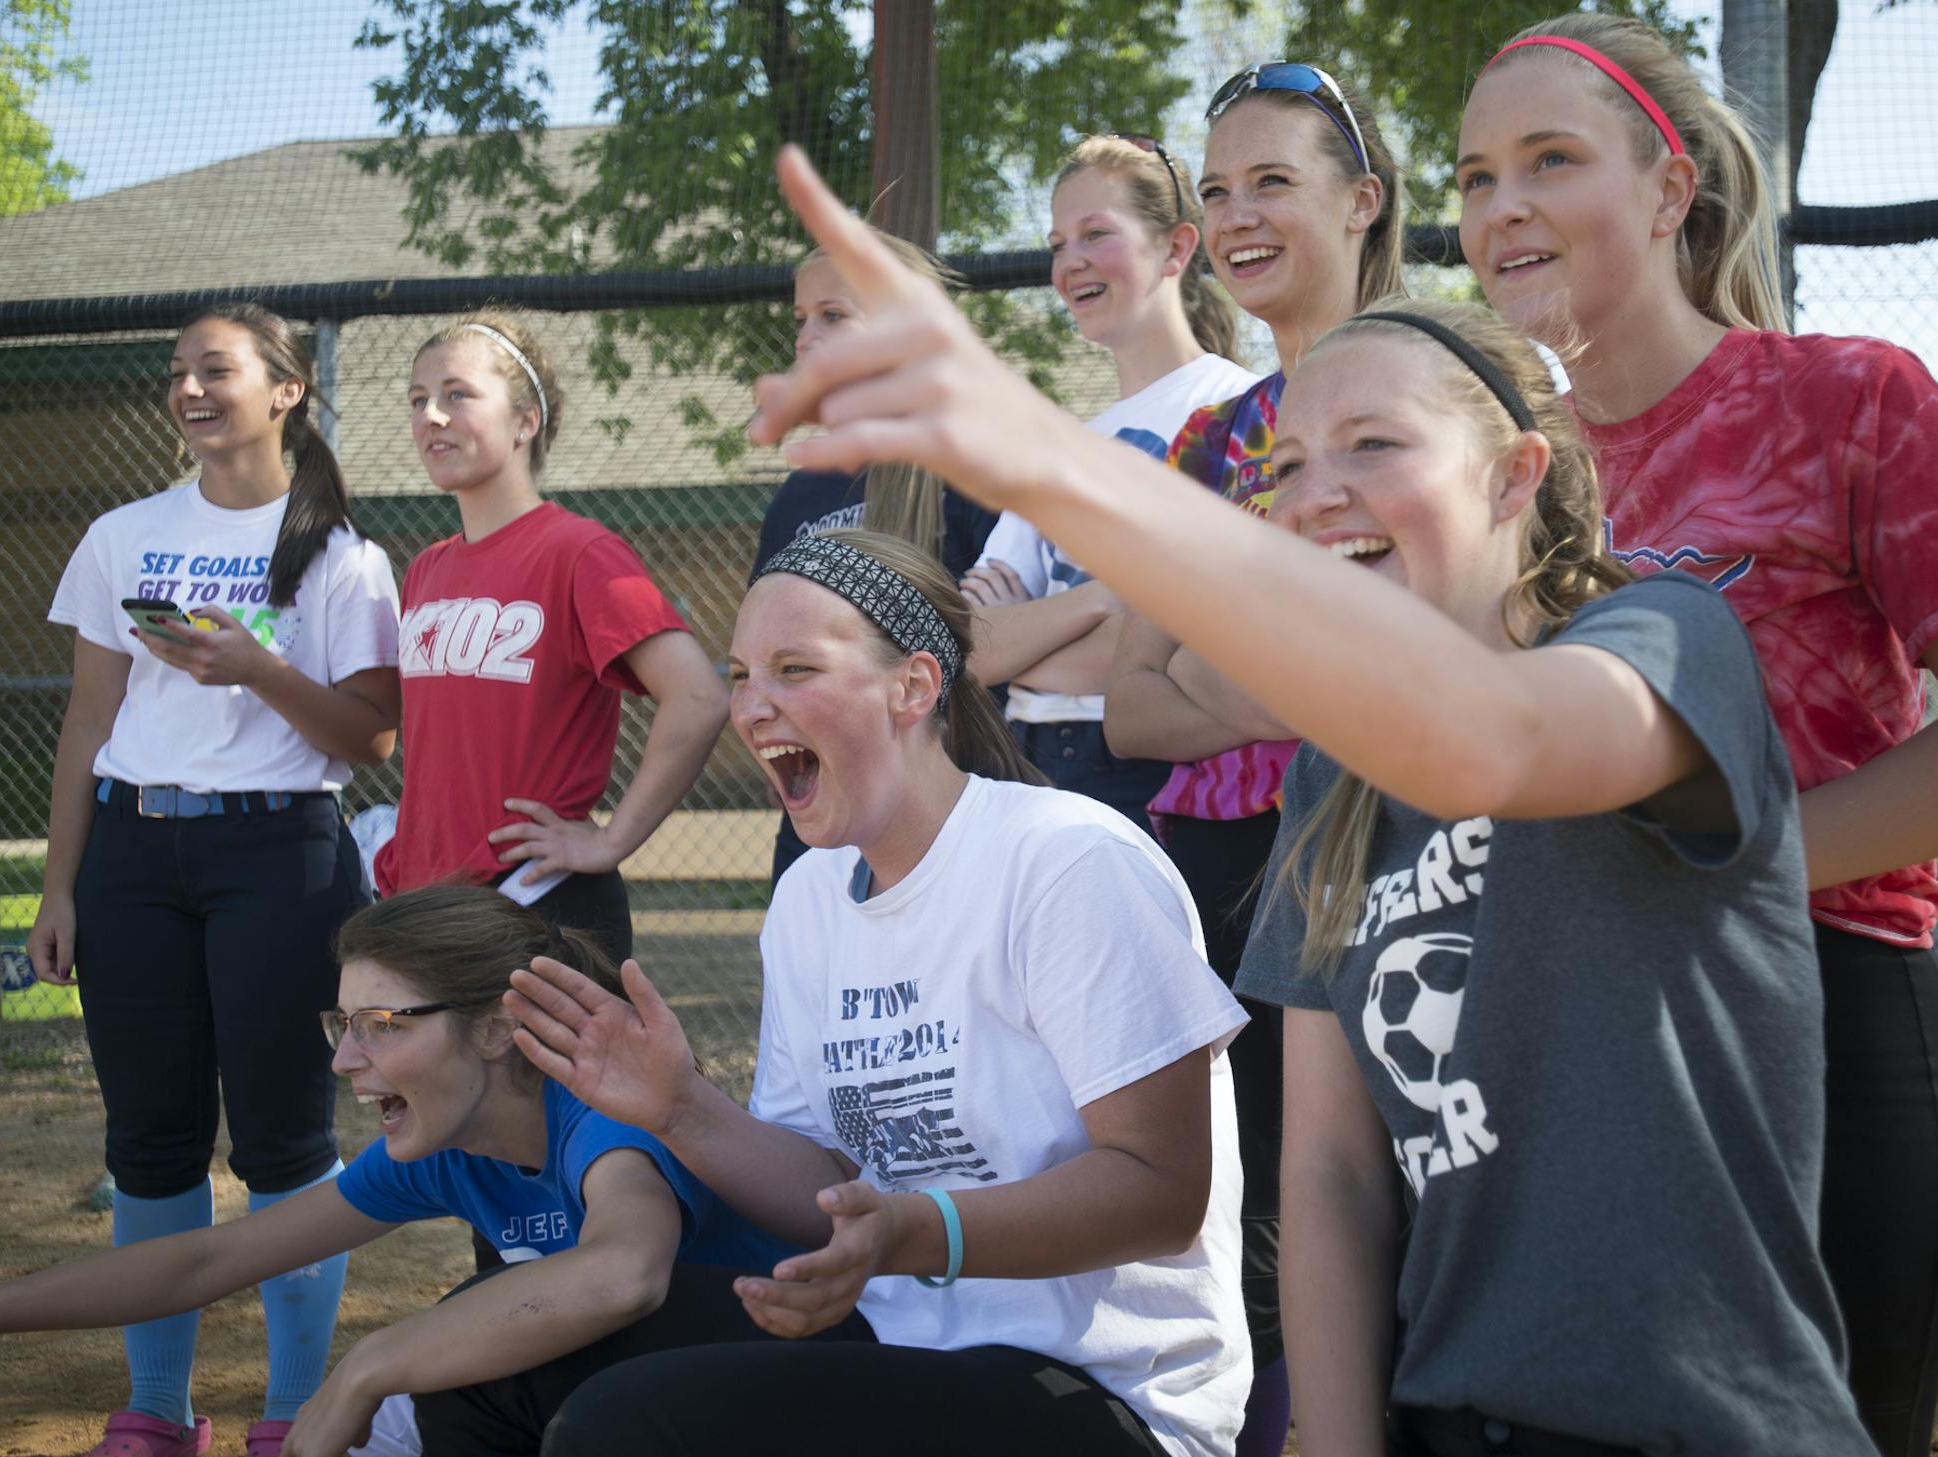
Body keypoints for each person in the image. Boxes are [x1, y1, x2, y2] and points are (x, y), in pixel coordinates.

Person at [742, 159, 1877, 1456]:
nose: (1316, 489)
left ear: (1515, 476)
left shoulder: (1671, 643)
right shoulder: (1334, 772)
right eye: (1285, 465)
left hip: (1697, 1420)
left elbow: (1488, 743)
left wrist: (1048, 460)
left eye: (1375, 445)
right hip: (1453, 1410)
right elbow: (1332, 1175)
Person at [1457, 18, 1938, 1453]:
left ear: (1672, 189)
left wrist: (1735, 877)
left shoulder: (1845, 398)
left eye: (1551, 159)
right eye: (1479, 173)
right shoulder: (1488, 479)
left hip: (1827, 1032)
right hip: (1573, 1063)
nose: (1503, 206)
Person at [504, 529, 1253, 1457]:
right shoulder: (809, 899)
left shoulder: (1065, 861)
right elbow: (830, 1182)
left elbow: (1160, 1191)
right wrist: (680, 1107)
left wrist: (910, 1230)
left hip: (1104, 1390)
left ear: (914, 687)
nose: (752, 706)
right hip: (903, 1339)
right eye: (739, 675)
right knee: (511, 1364)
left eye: (794, 667)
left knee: (627, 1425)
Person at [0, 886, 797, 1457]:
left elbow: (626, 1271)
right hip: (664, 1408)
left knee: (449, 1360)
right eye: (341, 1023)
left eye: (382, 1022)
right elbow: (208, 1261)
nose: (346, 1057)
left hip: (793, 1392)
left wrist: (370, 1361)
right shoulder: (450, 1147)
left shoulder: (597, 1111)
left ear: (496, 1027)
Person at [27, 302, 402, 1457]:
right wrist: (61, 885)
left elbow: (369, 735)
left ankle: (293, 1411)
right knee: (148, 1137)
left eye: (216, 369)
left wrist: (254, 664)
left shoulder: (344, 553)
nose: (190, 388)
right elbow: (91, 716)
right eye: (177, 372)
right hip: (135, 855)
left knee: (285, 1143)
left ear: (286, 390)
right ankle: (155, 1409)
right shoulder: (124, 532)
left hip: (280, 857)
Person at [1095, 65, 1403, 1451]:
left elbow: (1437, 666)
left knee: (1426, 1192)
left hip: (1407, 840)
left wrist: (1228, 663)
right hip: (1226, 866)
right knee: (1282, 1213)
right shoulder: (1214, 438)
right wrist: (1310, 666)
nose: (1237, 214)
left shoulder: (1443, 389)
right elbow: (1129, 714)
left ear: (1364, 198)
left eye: (1272, 180)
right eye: (1216, 191)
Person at [371, 312, 729, 965]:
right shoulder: (426, 567)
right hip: (427, 902)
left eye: (458, 394)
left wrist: (611, 839)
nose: (432, 416)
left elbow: (699, 696)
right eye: (418, 400)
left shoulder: (579, 551)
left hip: (533, 904)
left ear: (526, 420)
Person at [957, 134, 1254, 834]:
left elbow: (1199, 645)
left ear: (1177, 249)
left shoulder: (1240, 410)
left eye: (1097, 234)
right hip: (1027, 766)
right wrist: (1110, 596)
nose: (1071, 262)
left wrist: (1030, 647)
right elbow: (973, 646)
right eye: (1059, 242)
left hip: (1155, 772)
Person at [751, 239, 1000, 882]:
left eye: (833, 315)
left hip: (948, 812)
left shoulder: (971, 467)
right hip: (823, 822)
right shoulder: (800, 493)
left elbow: (995, 640)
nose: (806, 337)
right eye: (801, 319)